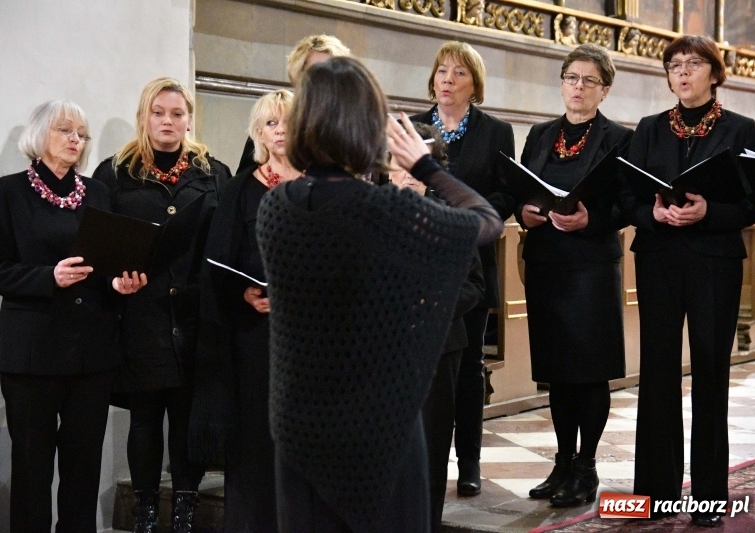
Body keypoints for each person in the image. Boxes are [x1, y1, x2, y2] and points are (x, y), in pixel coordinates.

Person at [255, 57, 503, 532]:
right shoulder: (386, 209)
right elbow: (487, 221)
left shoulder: (275, 207)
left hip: (298, 422)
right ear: (370, 126)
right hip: (379, 423)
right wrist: (425, 165)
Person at [0, 100, 146, 532]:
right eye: (65, 131)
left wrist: (117, 284)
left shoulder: (99, 192)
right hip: (31, 354)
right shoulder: (7, 192)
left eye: (82, 134)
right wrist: (48, 276)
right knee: (32, 473)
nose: (76, 140)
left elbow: (104, 265)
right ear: (39, 135)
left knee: (83, 473)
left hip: (91, 353)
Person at [621, 35, 755, 528]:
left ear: (713, 74)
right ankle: (654, 495)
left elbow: (750, 205)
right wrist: (653, 212)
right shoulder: (649, 128)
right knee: (656, 374)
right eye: (675, 65)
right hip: (658, 258)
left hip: (714, 262)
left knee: (710, 374)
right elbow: (627, 201)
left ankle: (709, 497)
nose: (682, 72)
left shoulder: (742, 129)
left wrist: (709, 210)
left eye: (693, 64)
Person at [92, 77, 231, 532]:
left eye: (176, 113)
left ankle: (186, 508)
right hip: (142, 311)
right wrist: (116, 280)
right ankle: (147, 512)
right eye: (159, 113)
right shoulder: (116, 172)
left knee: (188, 415)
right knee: (146, 417)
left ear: (189, 118)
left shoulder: (215, 173)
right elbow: (98, 242)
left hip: (194, 312)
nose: (167, 121)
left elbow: (226, 243)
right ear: (144, 116)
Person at [516, 43, 632, 507]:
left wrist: (592, 221)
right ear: (561, 84)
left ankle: (586, 466)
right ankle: (562, 461)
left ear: (604, 90)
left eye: (588, 80)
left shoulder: (619, 138)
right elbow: (519, 187)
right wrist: (523, 213)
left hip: (591, 266)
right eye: (571, 78)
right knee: (558, 373)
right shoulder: (542, 135)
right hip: (546, 264)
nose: (577, 87)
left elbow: (628, 203)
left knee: (589, 372)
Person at [189, 89, 300, 532]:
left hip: (311, 338)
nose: (280, 130)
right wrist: (243, 294)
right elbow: (218, 259)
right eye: (271, 123)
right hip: (254, 336)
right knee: (255, 445)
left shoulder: (322, 187)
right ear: (258, 133)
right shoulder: (239, 189)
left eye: (288, 121)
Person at [411, 40, 515, 496]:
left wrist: (470, 219)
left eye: (458, 73)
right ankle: (416, 458)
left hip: (470, 260)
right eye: (441, 72)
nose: (447, 80)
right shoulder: (410, 127)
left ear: (475, 84)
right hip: (419, 259)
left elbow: (508, 194)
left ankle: (468, 461)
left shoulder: (495, 131)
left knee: (468, 365)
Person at [389, 122, 485, 531]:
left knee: (428, 452)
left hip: (438, 347)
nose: (408, 176)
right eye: (400, 166)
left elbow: (474, 286)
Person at [235, 34, 350, 174]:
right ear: (299, 77)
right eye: (316, 72)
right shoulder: (272, 125)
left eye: (332, 71)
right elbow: (244, 187)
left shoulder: (358, 130)